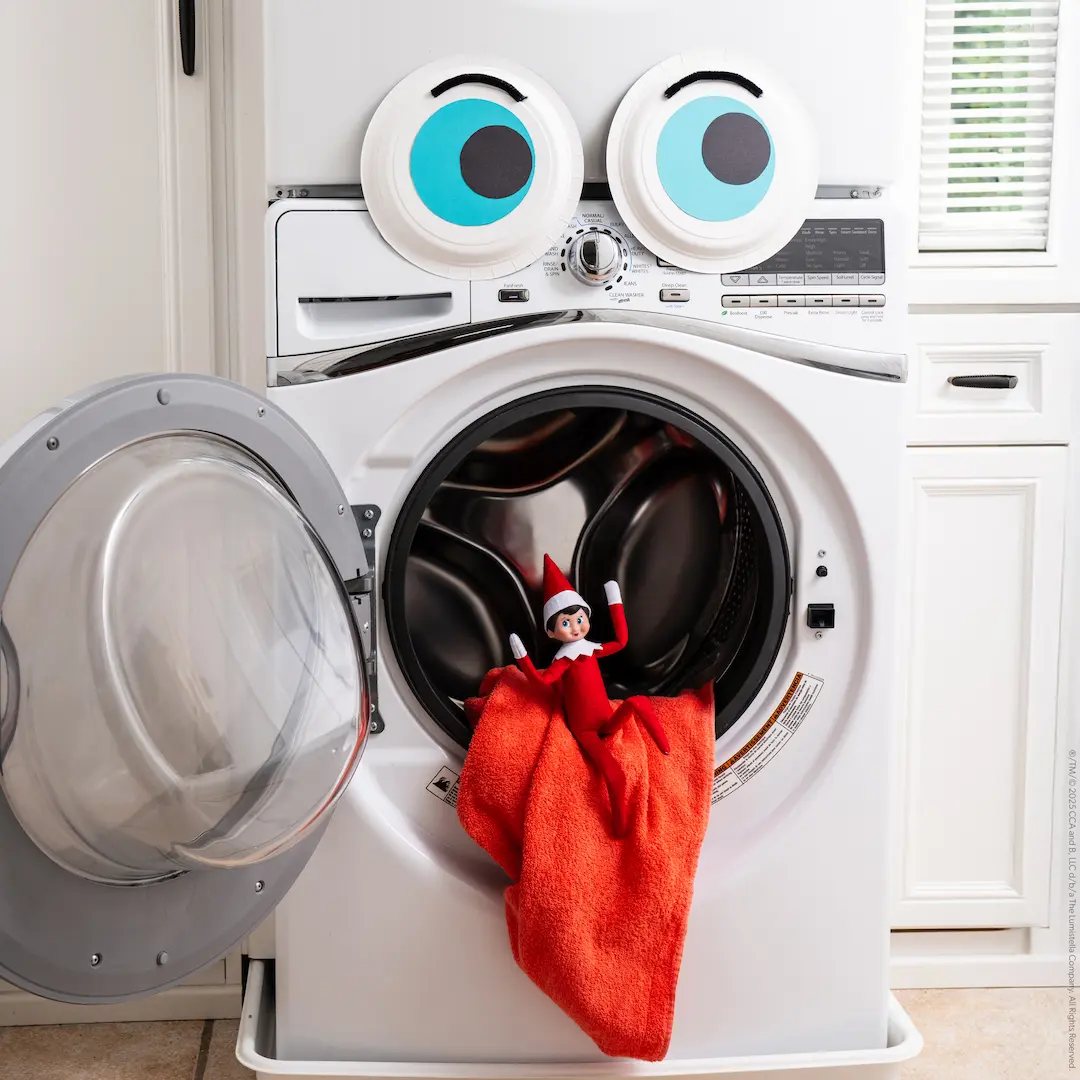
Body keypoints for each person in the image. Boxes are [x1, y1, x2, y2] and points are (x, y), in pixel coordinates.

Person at [509, 555, 670, 836]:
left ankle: (664, 747)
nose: (574, 627)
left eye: (579, 619)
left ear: (587, 618)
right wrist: (522, 657)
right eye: (566, 623)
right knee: (615, 775)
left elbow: (621, 641)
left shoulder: (590, 648)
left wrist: (615, 601)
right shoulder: (565, 660)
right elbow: (541, 680)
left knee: (637, 701)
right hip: (584, 730)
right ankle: (619, 831)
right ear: (551, 631)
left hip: (606, 718)